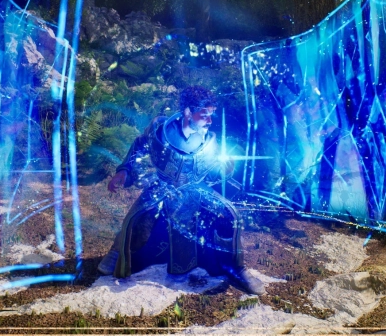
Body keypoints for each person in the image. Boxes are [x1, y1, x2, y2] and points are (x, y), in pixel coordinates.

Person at [97, 86, 265, 295]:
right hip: (162, 185)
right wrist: (124, 171)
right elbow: (140, 145)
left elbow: (214, 173)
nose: (210, 121)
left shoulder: (209, 141)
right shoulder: (160, 129)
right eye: (204, 115)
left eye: (211, 115)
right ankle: (118, 252)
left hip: (195, 190)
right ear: (187, 112)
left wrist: (226, 169)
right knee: (138, 216)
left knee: (231, 216)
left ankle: (237, 267)